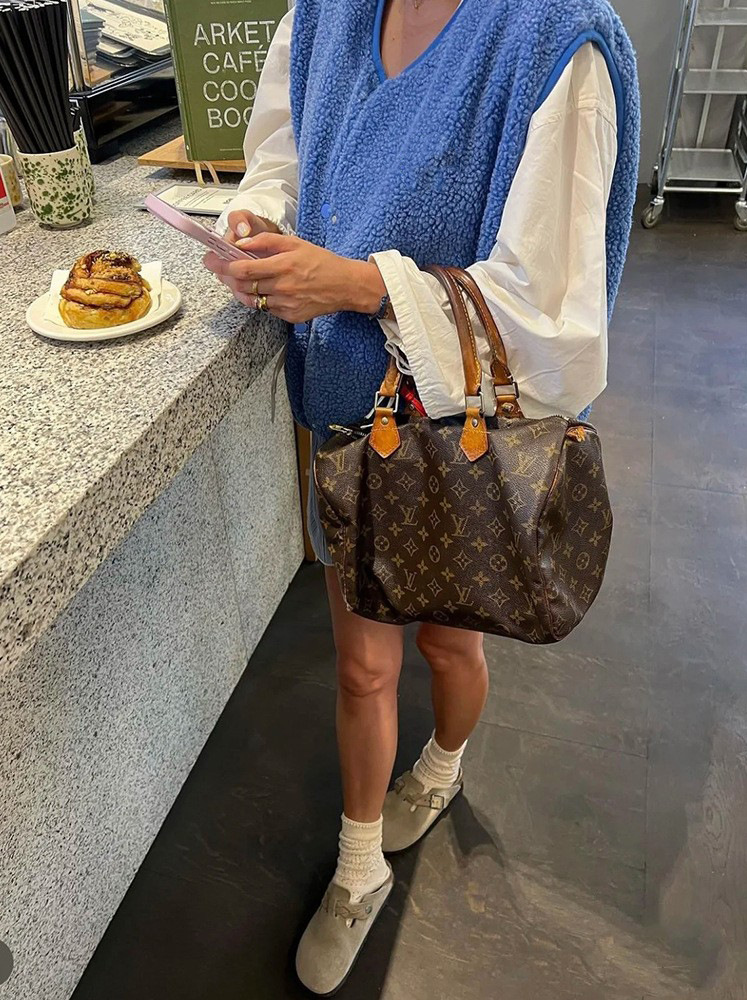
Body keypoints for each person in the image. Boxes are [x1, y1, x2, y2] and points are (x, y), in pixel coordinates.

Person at [203, 0, 639, 993]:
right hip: (351, 419)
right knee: (362, 667)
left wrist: (361, 285)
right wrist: (258, 221)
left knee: (449, 644)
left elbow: (557, 321)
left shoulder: (552, 39)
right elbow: (285, 158)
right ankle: (359, 865)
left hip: (461, 434)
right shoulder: (324, 14)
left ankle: (441, 769)